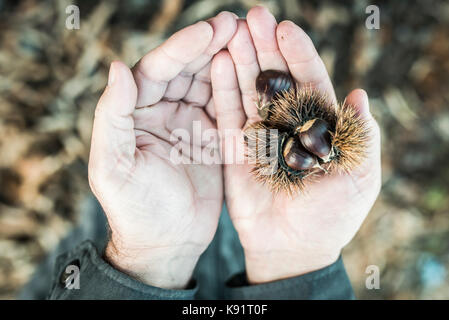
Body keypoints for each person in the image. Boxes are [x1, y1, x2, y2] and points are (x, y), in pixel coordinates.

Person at [21, 6, 381, 300]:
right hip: (239, 200)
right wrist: (297, 270)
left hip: (180, 187)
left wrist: (144, 262)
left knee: (96, 222)